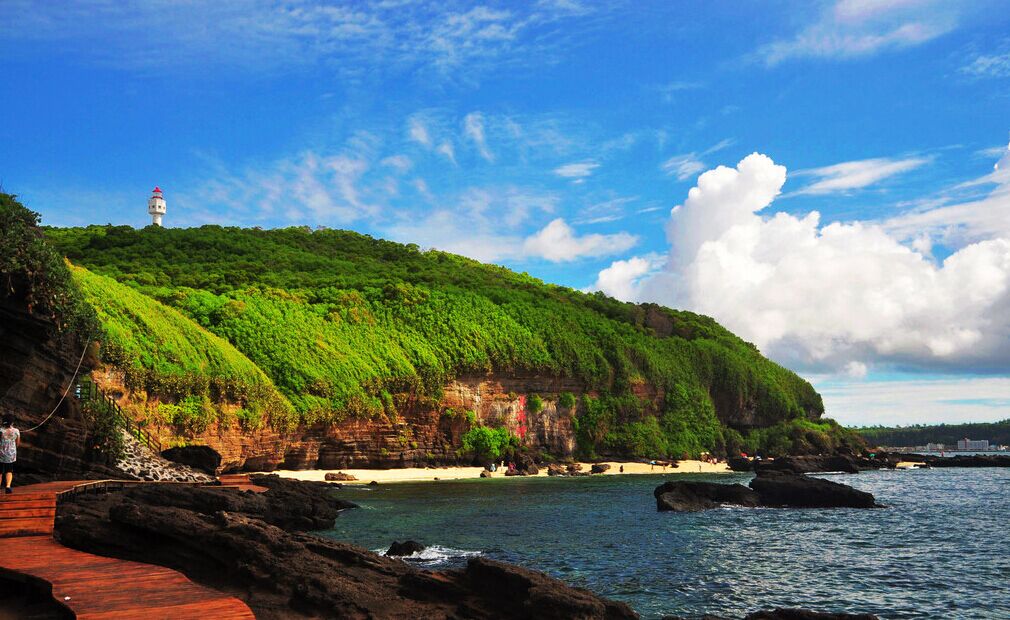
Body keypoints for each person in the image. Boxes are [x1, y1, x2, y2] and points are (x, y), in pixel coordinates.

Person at [1, 414, 20, 494]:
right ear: (12, 422)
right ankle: (8, 486)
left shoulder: (1, 430)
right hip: (11, 454)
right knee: (9, 470)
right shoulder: (16, 431)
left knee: (0, 471)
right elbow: (18, 443)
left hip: (1, 454)